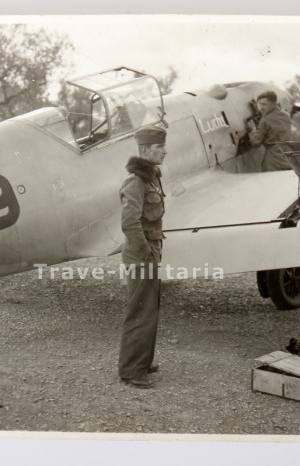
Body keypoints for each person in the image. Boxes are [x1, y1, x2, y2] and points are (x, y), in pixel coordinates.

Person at [118, 126, 167, 389]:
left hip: (149, 253)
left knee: (149, 309)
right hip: (142, 256)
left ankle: (142, 362)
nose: (165, 151)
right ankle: (132, 371)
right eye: (160, 148)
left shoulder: (150, 178)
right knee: (139, 312)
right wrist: (146, 254)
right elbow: (129, 223)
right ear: (145, 150)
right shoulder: (135, 182)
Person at [246, 90, 292, 171]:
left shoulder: (265, 120)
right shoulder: (286, 115)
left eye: (264, 104)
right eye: (259, 104)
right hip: (287, 157)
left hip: (273, 160)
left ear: (273, 104)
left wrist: (252, 130)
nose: (261, 108)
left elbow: (255, 142)